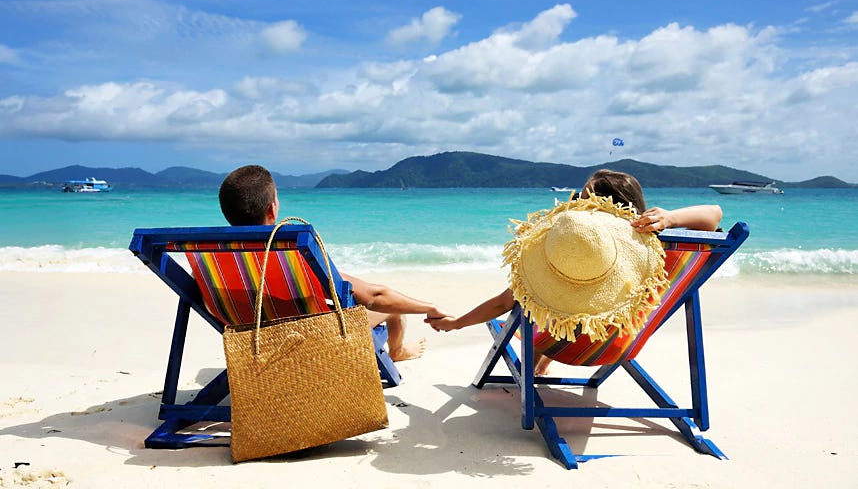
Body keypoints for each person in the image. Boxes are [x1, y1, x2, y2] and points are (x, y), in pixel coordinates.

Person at [426, 169, 723, 374]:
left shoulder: (575, 254)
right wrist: (670, 218)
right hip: (623, 344)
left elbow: (503, 303)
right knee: (573, 298)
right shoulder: (655, 252)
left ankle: (536, 362)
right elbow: (714, 214)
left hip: (565, 346)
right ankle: (540, 362)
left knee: (550, 294)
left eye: (582, 198)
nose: (575, 203)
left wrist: (456, 324)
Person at [219, 164, 451, 361]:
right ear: (272, 208)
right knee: (392, 310)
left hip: (255, 343)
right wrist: (430, 308)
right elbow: (375, 297)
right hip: (310, 342)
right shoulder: (290, 255)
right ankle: (398, 351)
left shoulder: (210, 257)